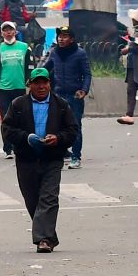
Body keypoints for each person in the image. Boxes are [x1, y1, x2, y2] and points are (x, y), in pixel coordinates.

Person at [1, 68, 78, 253]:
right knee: (32, 200)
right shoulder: (18, 105)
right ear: (30, 85)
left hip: (52, 159)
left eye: (45, 82)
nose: (41, 86)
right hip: (26, 160)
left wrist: (58, 138)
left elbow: (72, 130)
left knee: (49, 198)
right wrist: (27, 138)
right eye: (37, 83)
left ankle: (43, 240)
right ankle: (49, 235)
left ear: (50, 84)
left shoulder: (61, 105)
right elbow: (7, 129)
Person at [43, 26, 91, 170]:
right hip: (58, 94)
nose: (61, 39)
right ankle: (63, 152)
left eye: (64, 36)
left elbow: (87, 74)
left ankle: (76, 156)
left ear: (71, 39)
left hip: (74, 95)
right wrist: (35, 78)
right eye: (59, 36)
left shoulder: (80, 54)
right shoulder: (54, 53)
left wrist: (84, 90)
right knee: (56, 125)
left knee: (74, 126)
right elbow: (46, 68)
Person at [0, 21, 35, 158]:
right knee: (6, 119)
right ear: (2, 33)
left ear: (15, 32)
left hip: (19, 88)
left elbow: (31, 65)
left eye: (10, 30)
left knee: (20, 118)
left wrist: (29, 79)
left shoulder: (24, 47)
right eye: (5, 30)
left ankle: (18, 145)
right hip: (2, 89)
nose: (8, 32)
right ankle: (7, 148)